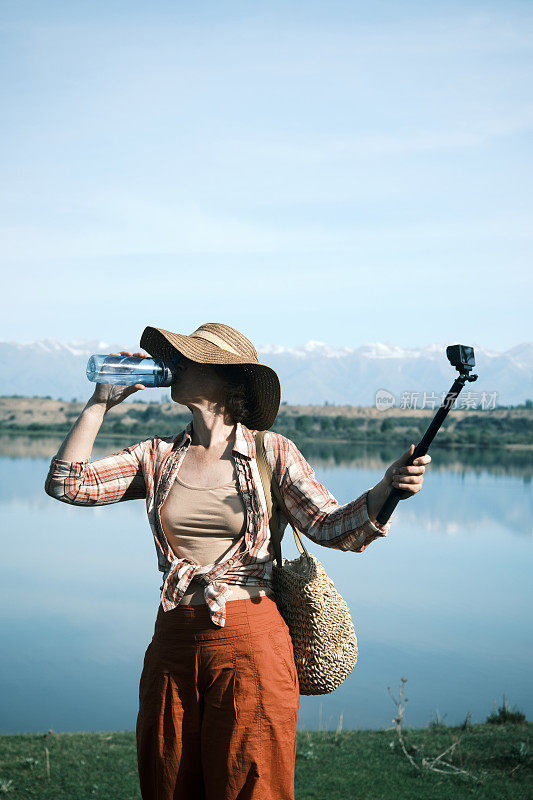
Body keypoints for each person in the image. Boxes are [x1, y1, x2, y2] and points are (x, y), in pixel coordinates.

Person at [44, 322, 431, 800]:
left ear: (227, 379)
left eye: (190, 357)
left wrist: (386, 489)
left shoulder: (271, 451)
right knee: (168, 784)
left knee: (253, 786)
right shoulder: (157, 456)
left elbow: (332, 526)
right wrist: (99, 401)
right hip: (173, 643)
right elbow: (67, 484)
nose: (176, 364)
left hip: (251, 645)